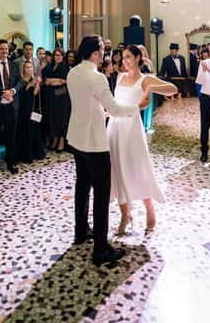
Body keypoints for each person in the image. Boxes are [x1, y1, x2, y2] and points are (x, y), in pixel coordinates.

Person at [67, 35, 137, 266]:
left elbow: (86, 102)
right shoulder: (97, 77)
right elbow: (114, 109)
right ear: (95, 54)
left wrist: (100, 111)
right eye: (102, 52)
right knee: (101, 194)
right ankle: (101, 248)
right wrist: (135, 108)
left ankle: (80, 231)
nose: (104, 56)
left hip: (76, 137)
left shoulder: (73, 72)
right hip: (94, 142)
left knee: (82, 185)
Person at [108, 45, 177, 235]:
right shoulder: (120, 77)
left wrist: (151, 88)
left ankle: (149, 208)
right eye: (123, 58)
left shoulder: (145, 79)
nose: (125, 61)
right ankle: (125, 215)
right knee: (117, 169)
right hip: (114, 126)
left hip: (132, 128)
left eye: (129, 57)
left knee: (138, 167)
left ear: (138, 58)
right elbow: (115, 102)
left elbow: (172, 89)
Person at [0, 39, 25, 176]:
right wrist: (4, 93)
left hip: (12, 107)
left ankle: (10, 162)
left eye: (6, 49)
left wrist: (12, 91)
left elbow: (20, 82)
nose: (4, 51)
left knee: (11, 136)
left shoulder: (14, 65)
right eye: (1, 49)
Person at [17, 61, 45, 163]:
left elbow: (35, 93)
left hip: (33, 108)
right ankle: (25, 154)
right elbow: (22, 92)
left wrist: (37, 84)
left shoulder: (34, 79)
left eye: (31, 67)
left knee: (34, 130)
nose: (29, 69)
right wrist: (31, 83)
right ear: (23, 69)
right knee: (25, 130)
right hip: (23, 108)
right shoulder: (20, 80)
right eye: (27, 67)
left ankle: (34, 153)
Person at [42, 48, 70, 152]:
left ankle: (61, 141)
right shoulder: (49, 66)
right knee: (53, 118)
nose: (58, 57)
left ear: (63, 56)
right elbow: (45, 80)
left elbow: (65, 81)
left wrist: (54, 81)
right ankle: (55, 139)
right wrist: (58, 80)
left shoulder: (65, 67)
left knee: (62, 119)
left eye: (60, 55)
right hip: (51, 96)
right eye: (56, 55)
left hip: (62, 95)